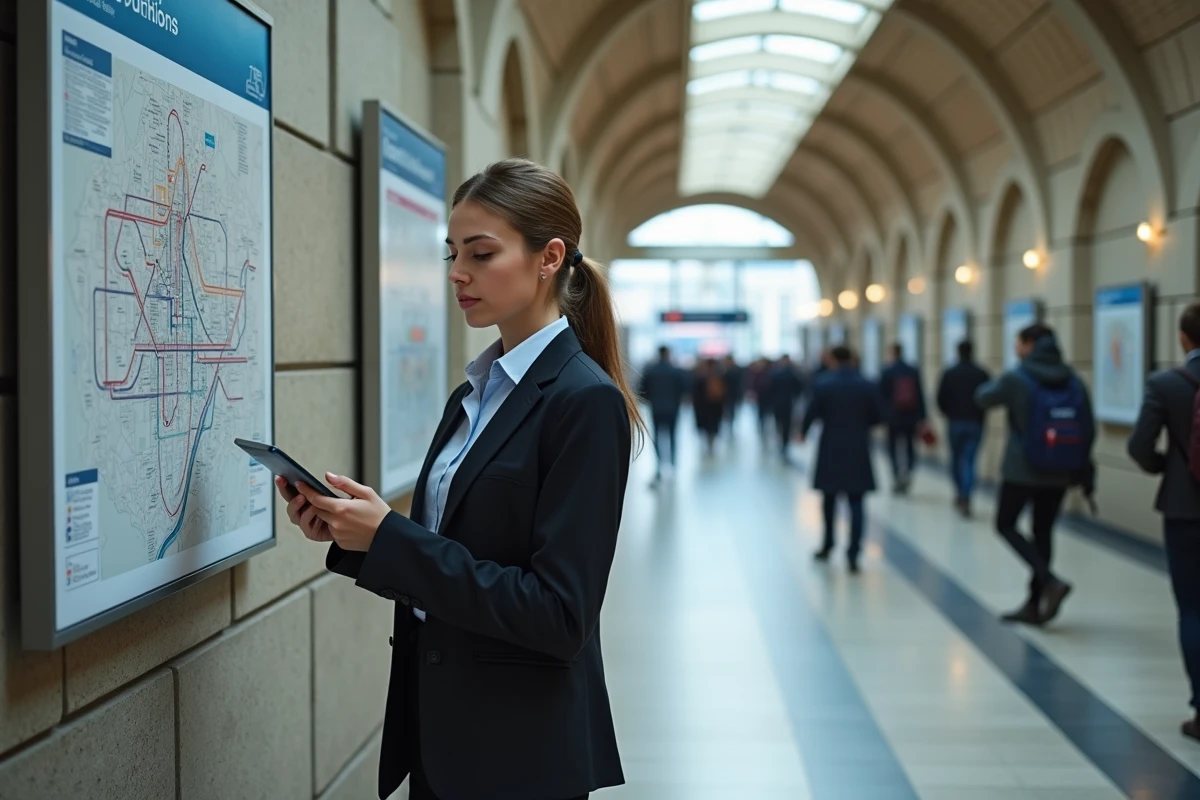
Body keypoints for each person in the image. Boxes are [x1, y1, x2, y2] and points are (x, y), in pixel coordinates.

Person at [276, 159, 641, 800]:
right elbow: (455, 557)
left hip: (518, 753)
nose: (456, 274)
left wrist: (390, 539)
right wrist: (355, 534)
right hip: (445, 735)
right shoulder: (473, 395)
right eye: (452, 254)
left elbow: (560, 616)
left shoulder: (583, 402)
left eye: (480, 253)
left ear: (549, 257)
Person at [976, 323, 1092, 626]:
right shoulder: (1073, 379)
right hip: (1059, 470)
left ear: (1029, 344)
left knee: (1005, 524)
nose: (1016, 348)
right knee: (1043, 532)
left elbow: (983, 398)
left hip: (1021, 469)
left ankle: (1049, 583)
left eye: (1019, 343)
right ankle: (1034, 602)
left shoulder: (1018, 377)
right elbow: (1088, 427)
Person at [1127, 302, 1200, 742]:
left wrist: (1168, 468)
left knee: (1192, 609)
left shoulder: (1167, 384)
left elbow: (1139, 446)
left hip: (1184, 511)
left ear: (1183, 337)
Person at [800, 346, 883, 573]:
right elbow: (878, 416)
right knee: (857, 503)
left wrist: (803, 432)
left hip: (831, 448)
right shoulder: (867, 384)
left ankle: (828, 545)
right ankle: (854, 553)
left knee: (829, 500)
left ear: (833, 360)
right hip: (858, 447)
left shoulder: (824, 384)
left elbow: (812, 411)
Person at [937, 340, 990, 517]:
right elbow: (987, 399)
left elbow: (940, 398)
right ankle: (966, 495)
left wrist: (949, 413)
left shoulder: (950, 373)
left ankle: (961, 493)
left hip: (955, 422)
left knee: (956, 459)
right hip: (975, 423)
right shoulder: (981, 373)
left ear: (958, 352)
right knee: (969, 461)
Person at [879, 343, 927, 493]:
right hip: (910, 417)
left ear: (892, 353)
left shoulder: (887, 371)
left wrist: (881, 416)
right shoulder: (912, 371)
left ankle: (896, 474)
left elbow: (881, 396)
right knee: (910, 446)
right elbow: (919, 395)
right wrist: (923, 416)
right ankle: (908, 472)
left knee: (893, 447)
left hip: (893, 417)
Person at [639, 345, 690, 485]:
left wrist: (651, 400)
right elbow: (685, 389)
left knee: (657, 437)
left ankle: (659, 465)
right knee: (673, 435)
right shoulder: (676, 371)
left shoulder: (650, 371)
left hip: (656, 408)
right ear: (668, 354)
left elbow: (642, 390)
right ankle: (672, 464)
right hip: (673, 408)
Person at [764, 354, 806, 458]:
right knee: (783, 424)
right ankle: (783, 442)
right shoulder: (790, 374)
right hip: (785, 403)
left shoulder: (778, 374)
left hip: (782, 403)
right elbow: (799, 389)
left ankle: (783, 442)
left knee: (782, 424)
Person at [692, 358, 726, 455]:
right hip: (715, 406)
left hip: (703, 407)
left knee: (706, 425)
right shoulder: (719, 375)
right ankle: (711, 442)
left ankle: (708, 442)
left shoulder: (700, 376)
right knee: (713, 425)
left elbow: (695, 393)